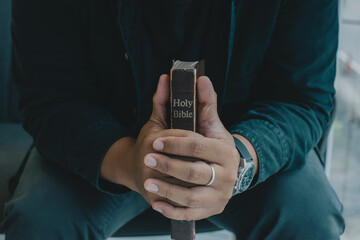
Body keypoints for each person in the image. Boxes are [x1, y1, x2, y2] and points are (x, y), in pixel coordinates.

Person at [1, 0, 345, 239]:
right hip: (106, 146)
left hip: (245, 144)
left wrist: (239, 160)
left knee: (309, 217)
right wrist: (129, 162)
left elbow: (302, 97)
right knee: (40, 221)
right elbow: (51, 98)